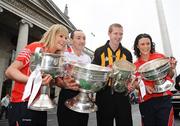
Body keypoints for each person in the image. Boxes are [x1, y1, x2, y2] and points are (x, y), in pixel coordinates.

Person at [5, 24, 69, 126]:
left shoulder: (56, 57)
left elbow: (48, 81)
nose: (64, 40)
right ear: (52, 35)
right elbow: (10, 71)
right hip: (22, 103)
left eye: (66, 38)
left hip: (41, 105)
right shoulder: (35, 48)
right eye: (61, 36)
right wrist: (34, 80)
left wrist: (58, 82)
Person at [92, 23, 133, 126]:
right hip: (104, 95)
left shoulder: (127, 54)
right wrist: (106, 72)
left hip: (122, 96)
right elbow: (94, 73)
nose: (118, 37)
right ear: (109, 34)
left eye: (121, 34)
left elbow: (131, 75)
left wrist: (130, 84)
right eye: (115, 33)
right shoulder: (99, 51)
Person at [133, 33, 177, 126]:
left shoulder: (160, 57)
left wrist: (172, 68)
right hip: (146, 102)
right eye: (142, 44)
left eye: (148, 43)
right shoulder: (135, 65)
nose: (146, 47)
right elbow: (136, 85)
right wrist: (144, 87)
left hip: (163, 99)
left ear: (151, 44)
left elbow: (170, 75)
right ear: (137, 46)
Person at [56, 30, 91, 126]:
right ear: (71, 40)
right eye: (78, 38)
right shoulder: (64, 54)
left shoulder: (87, 58)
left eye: (84, 38)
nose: (82, 41)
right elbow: (56, 78)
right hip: (67, 94)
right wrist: (65, 85)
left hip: (83, 96)